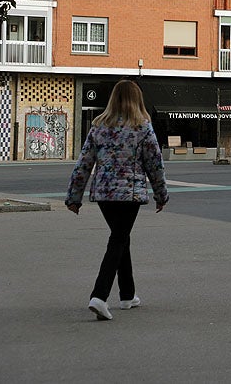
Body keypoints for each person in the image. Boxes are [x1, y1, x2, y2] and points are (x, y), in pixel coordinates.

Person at [65, 80, 169, 321]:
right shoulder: (143, 128)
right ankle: (99, 296)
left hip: (103, 194)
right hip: (129, 194)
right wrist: (161, 195)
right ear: (137, 100)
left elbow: (83, 164)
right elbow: (155, 166)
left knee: (122, 238)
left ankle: (127, 295)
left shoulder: (98, 127)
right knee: (118, 239)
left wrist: (74, 197)